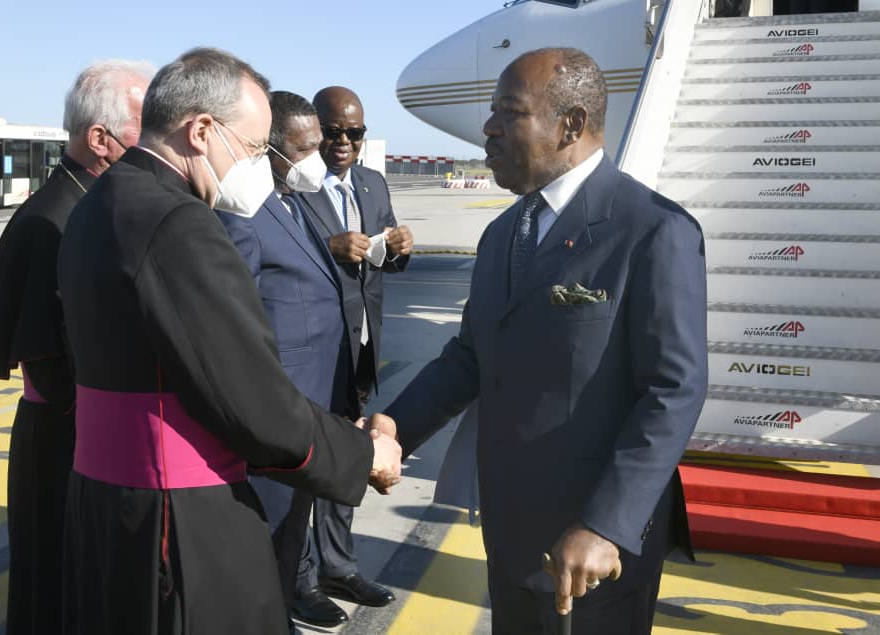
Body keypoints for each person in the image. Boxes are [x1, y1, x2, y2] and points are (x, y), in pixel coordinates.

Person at [56, 48, 401, 635]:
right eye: (252, 147)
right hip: (181, 516)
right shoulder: (179, 223)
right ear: (201, 131)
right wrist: (364, 455)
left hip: (105, 501)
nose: (261, 167)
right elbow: (251, 400)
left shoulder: (100, 202)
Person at [384, 47, 709, 635]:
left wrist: (607, 524)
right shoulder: (504, 232)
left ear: (571, 125)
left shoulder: (654, 231)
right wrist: (394, 427)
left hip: (591, 547)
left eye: (509, 112)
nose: (488, 128)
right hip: (510, 529)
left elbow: (673, 391)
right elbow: (471, 356)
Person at [0, 59, 153, 635]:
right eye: (147, 125)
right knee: (54, 586)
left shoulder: (87, 207)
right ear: (100, 139)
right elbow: (46, 363)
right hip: (64, 441)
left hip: (84, 436)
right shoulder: (52, 220)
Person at [216, 90, 356, 629]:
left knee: (295, 521)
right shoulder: (243, 216)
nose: (317, 158)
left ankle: (289, 601)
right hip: (282, 403)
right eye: (304, 149)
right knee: (270, 529)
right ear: (269, 151)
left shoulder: (294, 203)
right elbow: (243, 325)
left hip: (315, 398)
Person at [295, 86, 412, 612]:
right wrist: (328, 247)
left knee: (347, 460)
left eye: (354, 132)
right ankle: (300, 581)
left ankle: (338, 566)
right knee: (302, 465)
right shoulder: (293, 187)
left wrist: (399, 249)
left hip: (359, 349)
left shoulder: (371, 183)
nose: (343, 141)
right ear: (314, 130)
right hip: (312, 350)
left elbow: (381, 263)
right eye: (333, 131)